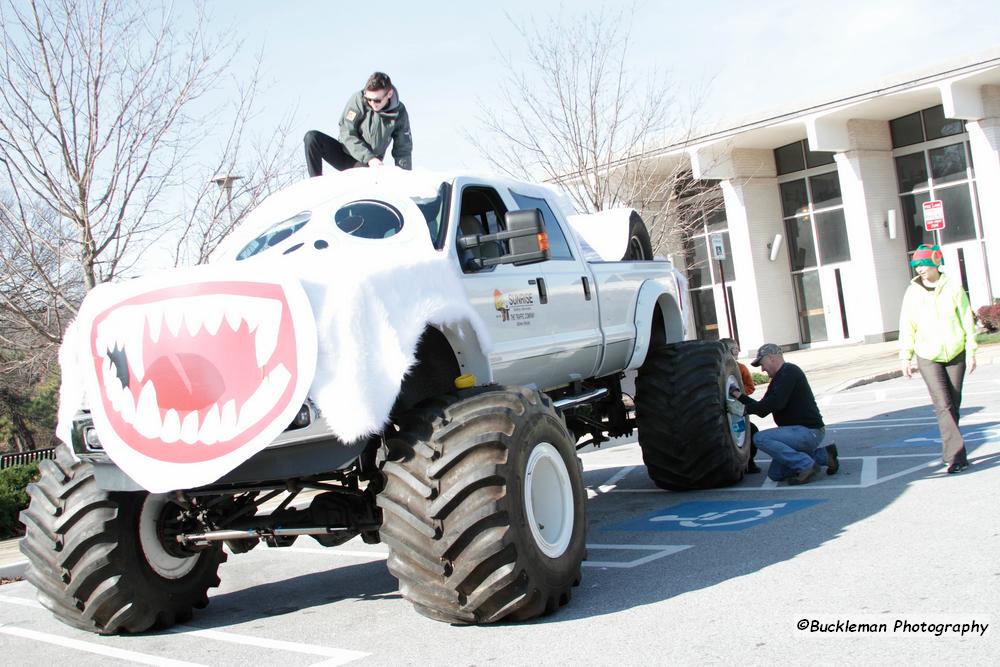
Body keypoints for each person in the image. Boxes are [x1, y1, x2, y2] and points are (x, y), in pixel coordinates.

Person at [898, 244, 977, 474]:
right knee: (943, 404)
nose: (920, 269)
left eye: (923, 264)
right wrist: (906, 356)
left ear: (935, 263)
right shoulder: (912, 292)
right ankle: (954, 457)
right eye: (917, 266)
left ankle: (955, 454)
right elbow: (907, 326)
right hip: (927, 354)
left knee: (953, 404)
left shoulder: (953, 287)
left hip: (956, 352)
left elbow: (966, 320)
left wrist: (971, 351)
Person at [732, 343, 839, 485]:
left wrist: (743, 410)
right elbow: (762, 409)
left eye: (762, 364)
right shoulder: (778, 379)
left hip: (809, 431)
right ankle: (825, 456)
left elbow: (774, 404)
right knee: (776, 474)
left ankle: (806, 465)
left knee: (760, 438)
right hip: (795, 433)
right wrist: (738, 395)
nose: (762, 369)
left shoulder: (790, 372)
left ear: (771, 358)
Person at [304, 71, 412, 176]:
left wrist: (405, 178)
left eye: (377, 100)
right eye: (369, 99)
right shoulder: (358, 100)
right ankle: (315, 185)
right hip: (346, 153)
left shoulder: (399, 112)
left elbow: (403, 149)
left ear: (389, 94)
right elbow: (346, 132)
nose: (372, 103)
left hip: (368, 165)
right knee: (312, 137)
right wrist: (368, 157)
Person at [720, 338, 760, 473]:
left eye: (737, 347)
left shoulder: (741, 368)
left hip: (737, 409)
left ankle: (750, 461)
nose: (737, 350)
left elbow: (750, 387)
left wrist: (739, 394)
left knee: (748, 431)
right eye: (733, 348)